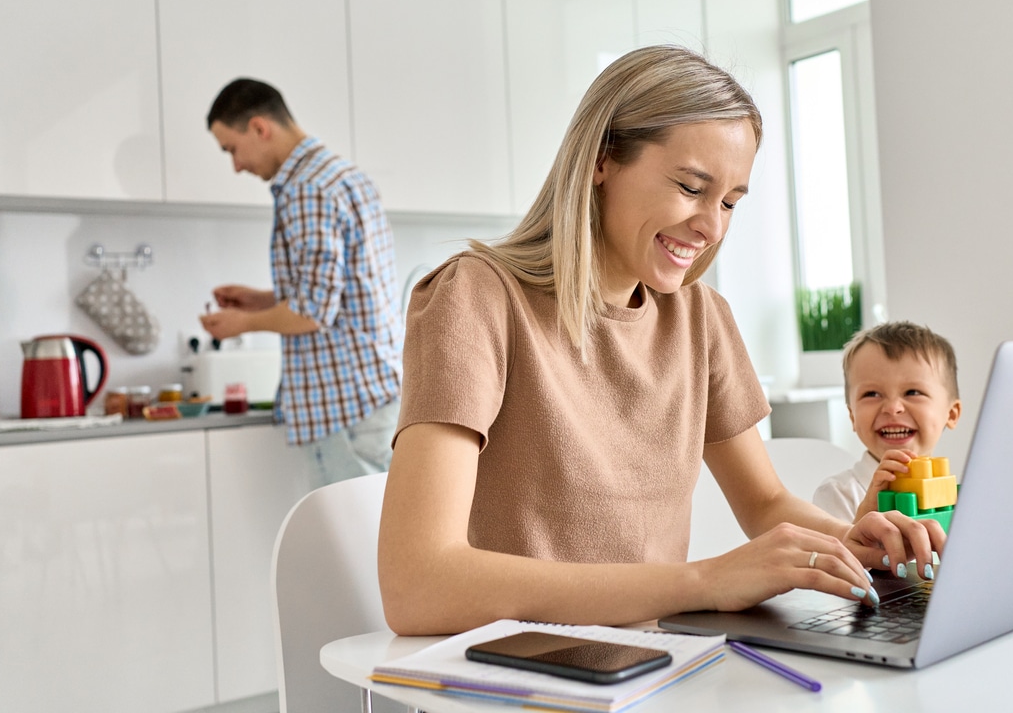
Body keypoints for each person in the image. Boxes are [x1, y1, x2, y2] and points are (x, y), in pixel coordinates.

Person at [378, 46, 944, 637]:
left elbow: (766, 505)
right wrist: (703, 583)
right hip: (526, 673)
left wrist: (855, 546)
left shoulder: (699, 318)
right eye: (691, 187)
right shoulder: (476, 297)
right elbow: (418, 585)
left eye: (729, 202)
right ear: (603, 160)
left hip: (656, 665)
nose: (713, 226)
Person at [199, 78, 403, 488]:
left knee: (354, 549)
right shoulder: (341, 175)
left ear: (259, 127)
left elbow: (313, 310)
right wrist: (259, 301)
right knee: (376, 541)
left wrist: (242, 325)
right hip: (373, 393)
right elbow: (341, 291)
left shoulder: (306, 189)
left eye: (231, 149)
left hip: (344, 405)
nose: (236, 165)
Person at [813, 321, 963, 523]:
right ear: (852, 417)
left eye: (913, 392)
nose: (893, 408)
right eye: (872, 394)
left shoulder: (963, 497)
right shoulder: (837, 496)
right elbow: (834, 554)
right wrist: (860, 529)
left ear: (951, 414)